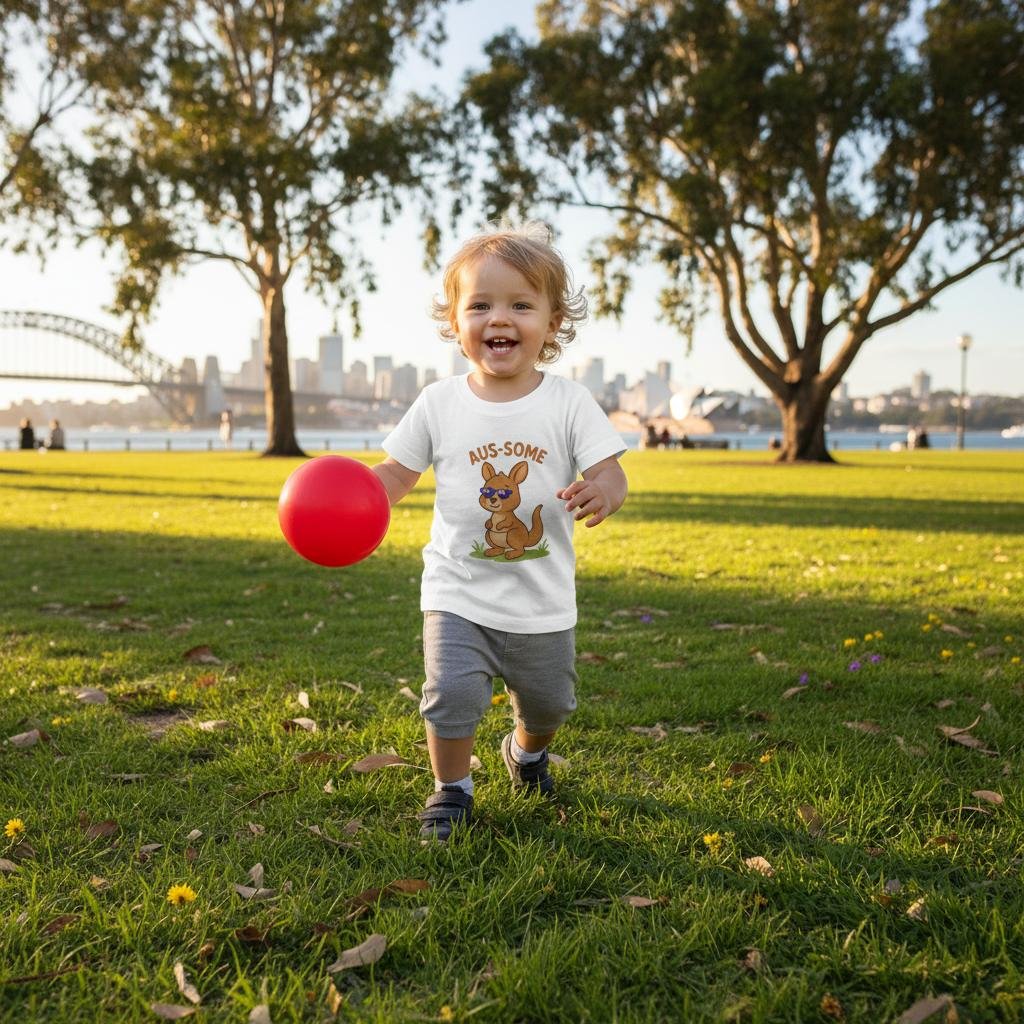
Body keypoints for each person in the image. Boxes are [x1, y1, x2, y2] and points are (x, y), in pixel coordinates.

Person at [372, 223, 628, 842]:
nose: (499, 319)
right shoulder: (438, 402)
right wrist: (351, 499)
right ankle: (451, 792)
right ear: (455, 321)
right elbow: (395, 474)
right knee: (450, 693)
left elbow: (611, 471)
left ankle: (527, 751)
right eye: (480, 305)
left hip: (541, 602)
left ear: (551, 320)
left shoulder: (568, 402)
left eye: (520, 304)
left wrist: (604, 491)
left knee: (550, 704)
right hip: (457, 593)